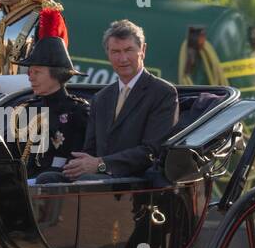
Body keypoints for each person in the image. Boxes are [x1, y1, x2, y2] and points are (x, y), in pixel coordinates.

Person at [59, 19, 178, 181]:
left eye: (128, 50)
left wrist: (101, 164)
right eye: (115, 52)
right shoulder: (101, 98)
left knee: (82, 183)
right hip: (100, 178)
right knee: (48, 179)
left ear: (143, 50)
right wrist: (78, 165)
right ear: (107, 54)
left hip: (137, 182)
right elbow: (90, 151)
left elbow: (151, 152)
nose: (122, 59)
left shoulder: (163, 93)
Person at [8, 36, 90, 182]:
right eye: (30, 72)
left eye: (37, 72)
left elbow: (74, 162)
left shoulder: (77, 112)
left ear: (57, 74)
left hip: (54, 189)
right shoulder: (25, 108)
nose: (31, 78)